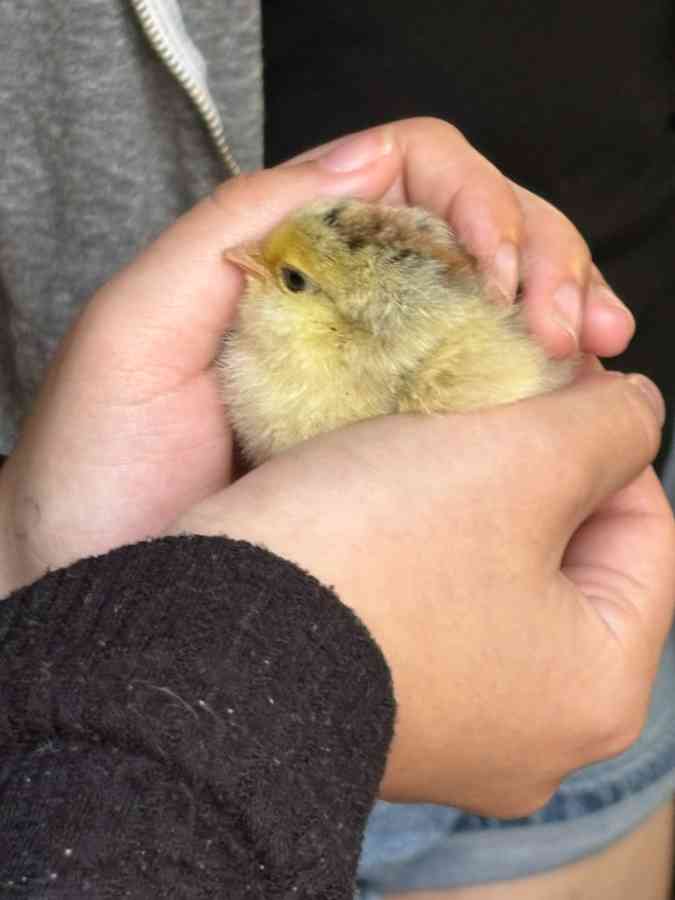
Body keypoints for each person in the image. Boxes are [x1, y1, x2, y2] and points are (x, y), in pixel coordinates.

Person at [1, 3, 673, 898]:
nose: (247, 263)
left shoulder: (347, 355)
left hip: (537, 648)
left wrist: (35, 562)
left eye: (284, 278)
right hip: (156, 708)